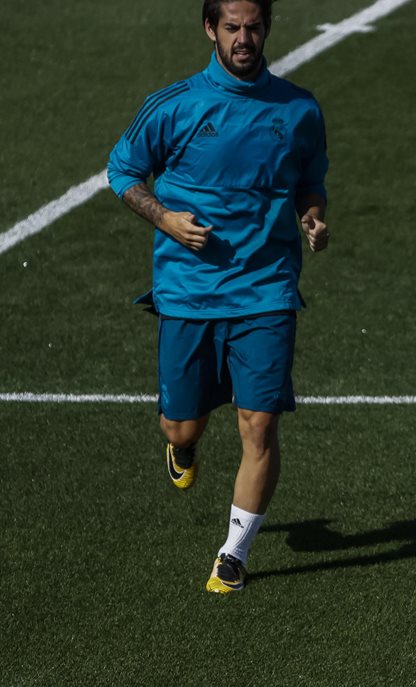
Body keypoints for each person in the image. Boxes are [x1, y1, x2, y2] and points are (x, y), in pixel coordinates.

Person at [107, 0, 330, 594]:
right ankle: (183, 447)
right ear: (210, 29)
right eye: (232, 27)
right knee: (182, 427)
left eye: (253, 27)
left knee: (259, 427)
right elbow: (122, 172)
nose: (244, 38)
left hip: (267, 291)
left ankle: (234, 552)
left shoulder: (299, 108)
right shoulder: (174, 105)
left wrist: (312, 217)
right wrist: (167, 220)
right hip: (189, 293)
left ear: (267, 29)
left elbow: (310, 179)